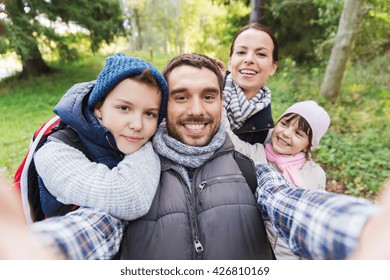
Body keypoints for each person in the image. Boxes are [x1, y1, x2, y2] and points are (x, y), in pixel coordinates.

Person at [0, 53, 388, 260]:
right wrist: (47, 253)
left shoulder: (249, 167)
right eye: (181, 96)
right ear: (165, 107)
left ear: (222, 101)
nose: (197, 110)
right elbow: (96, 225)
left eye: (209, 95)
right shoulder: (135, 170)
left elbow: (293, 206)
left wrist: (361, 234)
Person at [33, 53, 169, 221]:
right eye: (124, 108)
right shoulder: (55, 154)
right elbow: (131, 198)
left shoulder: (124, 137)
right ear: (98, 107)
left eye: (149, 114)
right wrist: (150, 144)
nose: (137, 125)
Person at [261, 100, 330, 259]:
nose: (286, 133)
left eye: (298, 133)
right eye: (284, 124)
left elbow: (313, 221)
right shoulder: (258, 155)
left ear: (307, 146)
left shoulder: (315, 174)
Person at [222, 23, 278, 145]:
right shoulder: (205, 91)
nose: (249, 59)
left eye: (261, 54)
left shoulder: (266, 130)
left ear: (273, 67)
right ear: (230, 62)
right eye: (241, 52)